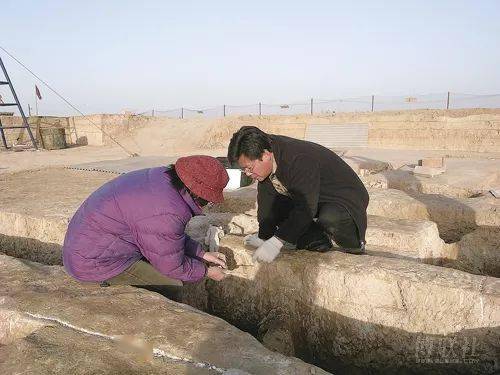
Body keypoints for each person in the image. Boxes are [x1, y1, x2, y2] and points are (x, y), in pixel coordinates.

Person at [62, 155, 230, 296]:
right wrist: (206, 272)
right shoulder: (168, 210)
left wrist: (202, 254)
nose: (208, 203)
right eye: (209, 199)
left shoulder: (161, 178)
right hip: (93, 263)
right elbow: (172, 266)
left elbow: (168, 237)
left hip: (89, 245)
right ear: (198, 193)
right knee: (173, 284)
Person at [227, 126, 369, 263]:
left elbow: (306, 207)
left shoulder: (298, 159)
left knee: (331, 217)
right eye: (244, 169)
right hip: (314, 195)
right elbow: (267, 201)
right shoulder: (269, 153)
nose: (248, 174)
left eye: (249, 168)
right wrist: (265, 238)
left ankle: (355, 244)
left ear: (265, 156)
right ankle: (319, 239)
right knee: (279, 208)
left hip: (344, 197)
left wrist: (276, 243)